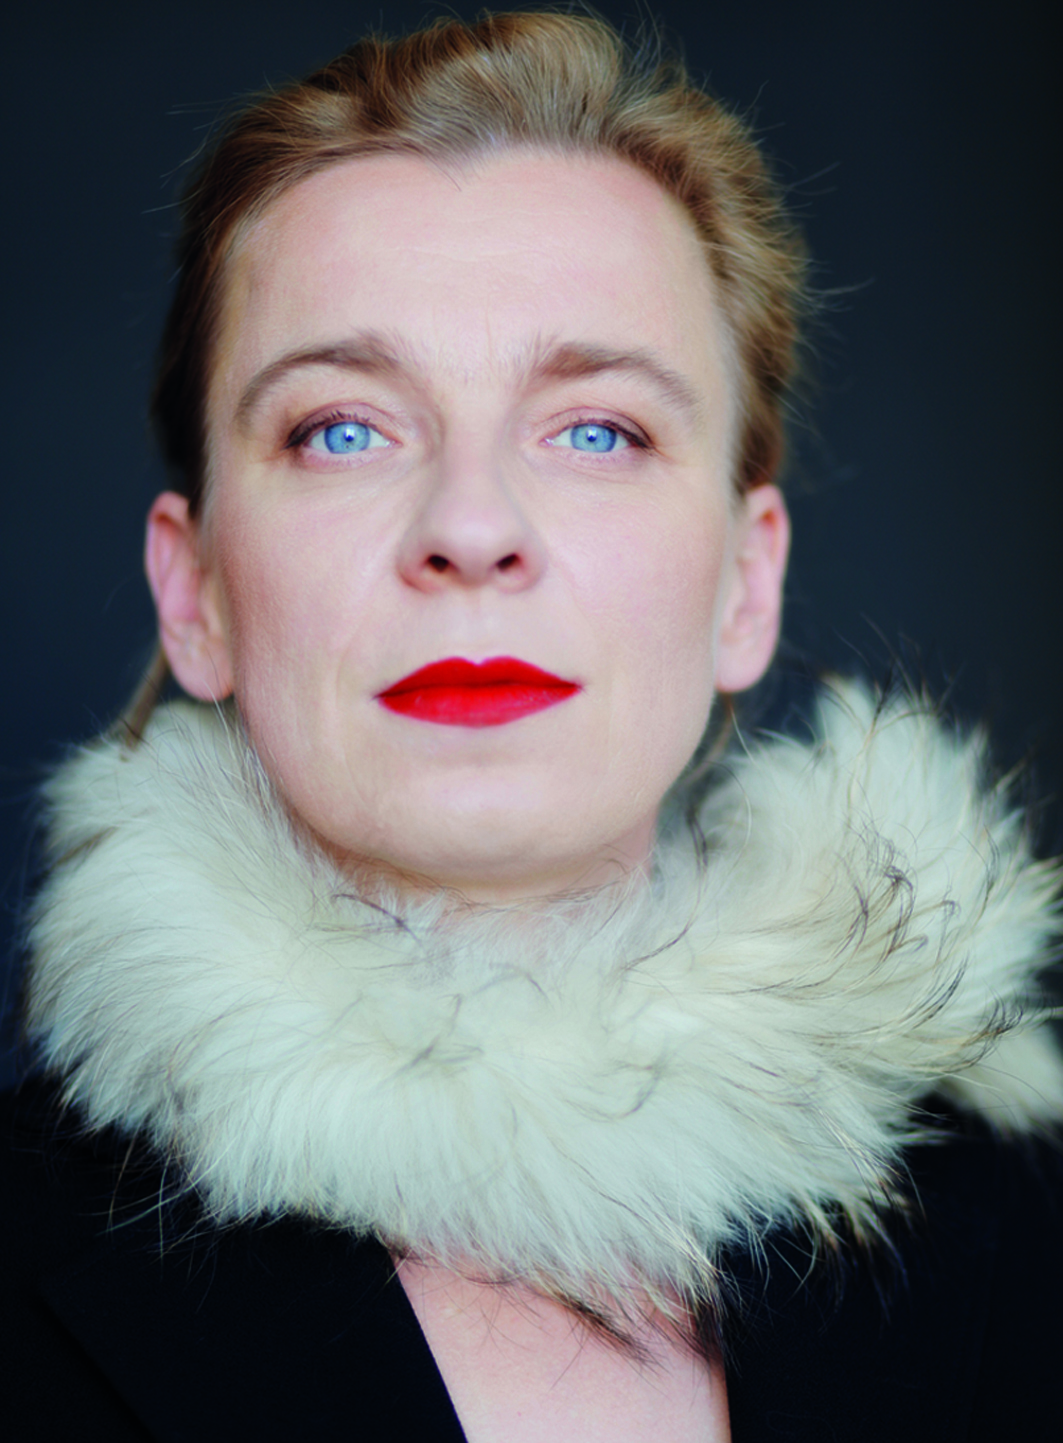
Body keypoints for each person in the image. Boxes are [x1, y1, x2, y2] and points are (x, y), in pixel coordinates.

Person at [4, 11, 1061, 1440]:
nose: (471, 526)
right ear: (195, 595)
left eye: (597, 430)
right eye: (342, 428)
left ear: (745, 585)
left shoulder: (1027, 1238)